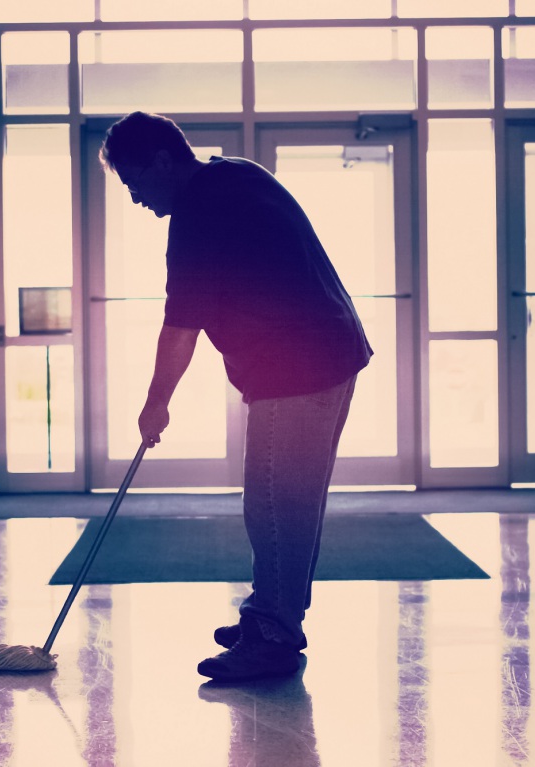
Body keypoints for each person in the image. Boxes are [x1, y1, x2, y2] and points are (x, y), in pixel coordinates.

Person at [99, 111, 372, 682]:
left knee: (276, 506)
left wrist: (155, 404)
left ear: (163, 162)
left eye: (134, 182)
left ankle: (272, 636)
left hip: (298, 368)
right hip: (329, 353)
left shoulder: (198, 214)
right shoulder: (235, 174)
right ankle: (272, 615)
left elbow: (180, 328)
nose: (134, 198)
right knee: (291, 503)